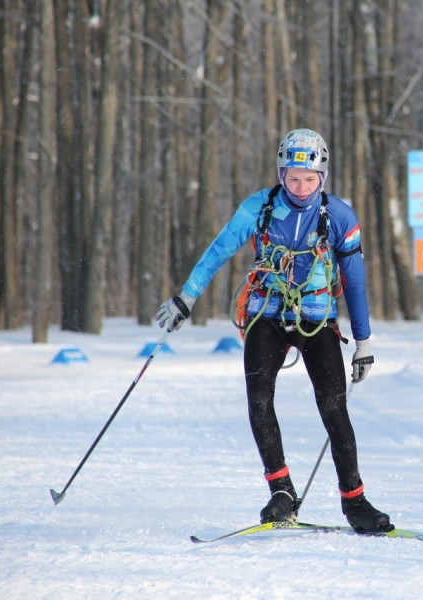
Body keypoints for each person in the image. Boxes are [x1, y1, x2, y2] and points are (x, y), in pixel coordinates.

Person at [155, 128, 392, 533]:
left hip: (317, 320)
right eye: (293, 178)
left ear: (323, 178)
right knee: (260, 400)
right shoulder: (258, 208)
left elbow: (354, 281)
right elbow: (218, 251)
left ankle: (355, 502)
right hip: (267, 314)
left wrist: (364, 343)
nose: (301, 187)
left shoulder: (339, 216)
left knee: (334, 409)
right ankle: (281, 493)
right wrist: (186, 298)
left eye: (310, 179)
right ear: (281, 175)